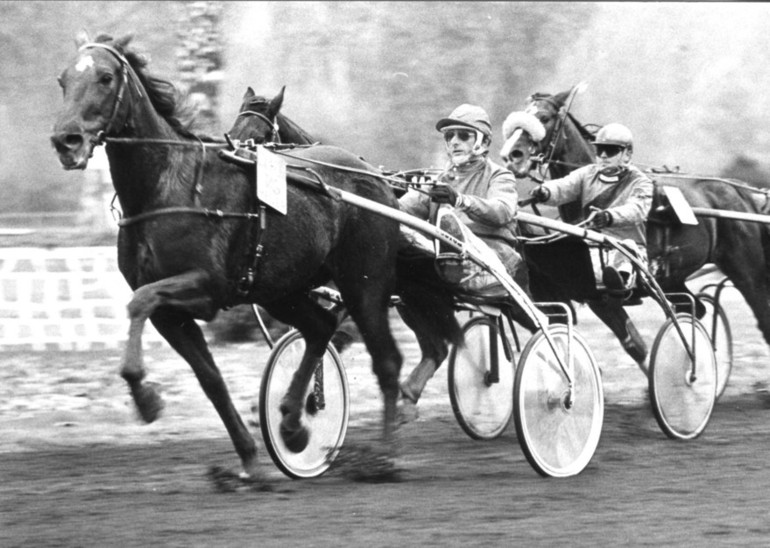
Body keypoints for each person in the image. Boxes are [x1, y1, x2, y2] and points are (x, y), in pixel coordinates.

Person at [397, 103, 528, 417]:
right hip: (450, 257)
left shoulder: (501, 175)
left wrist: (459, 201)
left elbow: (503, 210)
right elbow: (403, 209)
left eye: (463, 136)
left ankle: (447, 233)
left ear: (481, 141)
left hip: (496, 259)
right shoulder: (442, 179)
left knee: (444, 228)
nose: (454, 142)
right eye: (450, 136)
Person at [529, 122, 653, 364]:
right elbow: (563, 187)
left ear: (627, 154)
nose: (603, 156)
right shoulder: (586, 174)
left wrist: (609, 216)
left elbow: (637, 210)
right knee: (557, 245)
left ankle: (620, 282)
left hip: (627, 248)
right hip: (591, 248)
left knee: (624, 249)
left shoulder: (641, 182)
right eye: (600, 151)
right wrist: (545, 192)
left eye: (611, 150)